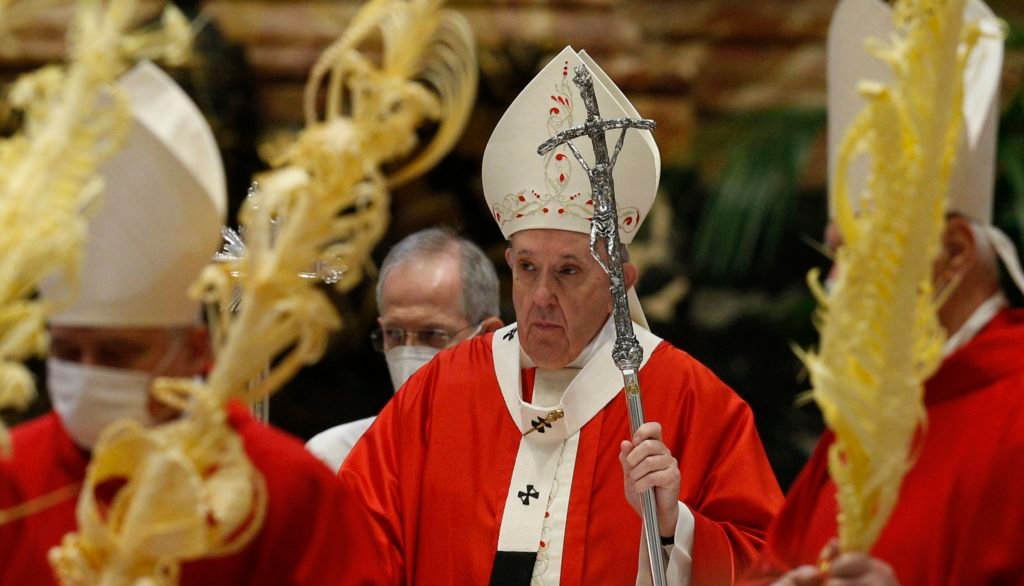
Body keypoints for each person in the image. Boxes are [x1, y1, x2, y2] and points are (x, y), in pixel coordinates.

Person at [335, 45, 782, 585]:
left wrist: (673, 527)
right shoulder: (442, 389)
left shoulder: (689, 399)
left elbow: (768, 566)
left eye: (568, 271)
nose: (541, 295)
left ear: (620, 282)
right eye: (527, 268)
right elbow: (352, 537)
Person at [0, 61, 347, 584]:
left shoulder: (281, 485)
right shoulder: (10, 477)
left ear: (193, 351)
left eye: (117, 354)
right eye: (69, 351)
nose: (88, 373)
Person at [744, 1, 1024, 584]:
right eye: (837, 254)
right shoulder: (867, 418)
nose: (839, 284)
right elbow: (775, 561)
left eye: (863, 250)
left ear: (953, 253)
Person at [306, 227, 503, 471]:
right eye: (394, 334)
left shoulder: (527, 454)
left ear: (488, 337)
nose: (407, 352)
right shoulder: (335, 457)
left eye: (432, 334)